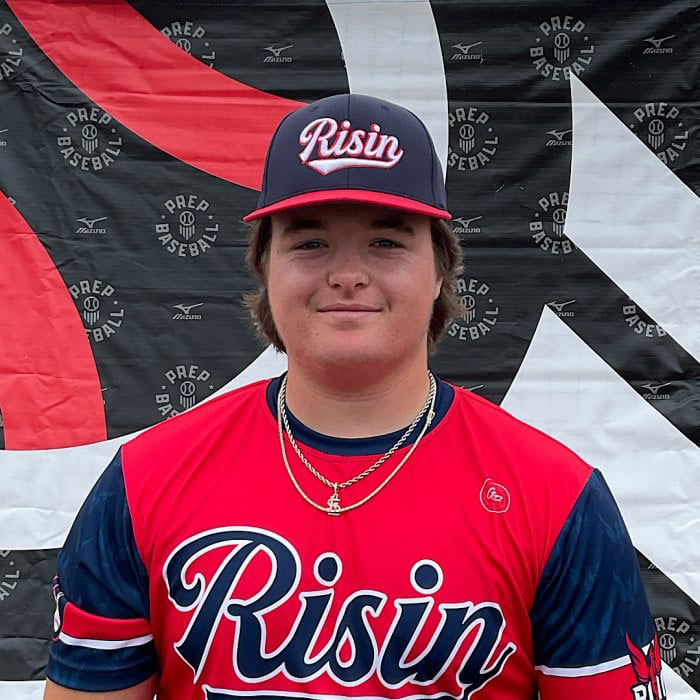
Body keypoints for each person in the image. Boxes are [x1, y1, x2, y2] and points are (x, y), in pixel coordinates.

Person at [44, 94, 663, 700]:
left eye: (387, 242)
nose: (347, 273)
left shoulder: (557, 496)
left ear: (441, 268)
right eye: (309, 242)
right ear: (264, 267)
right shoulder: (144, 481)